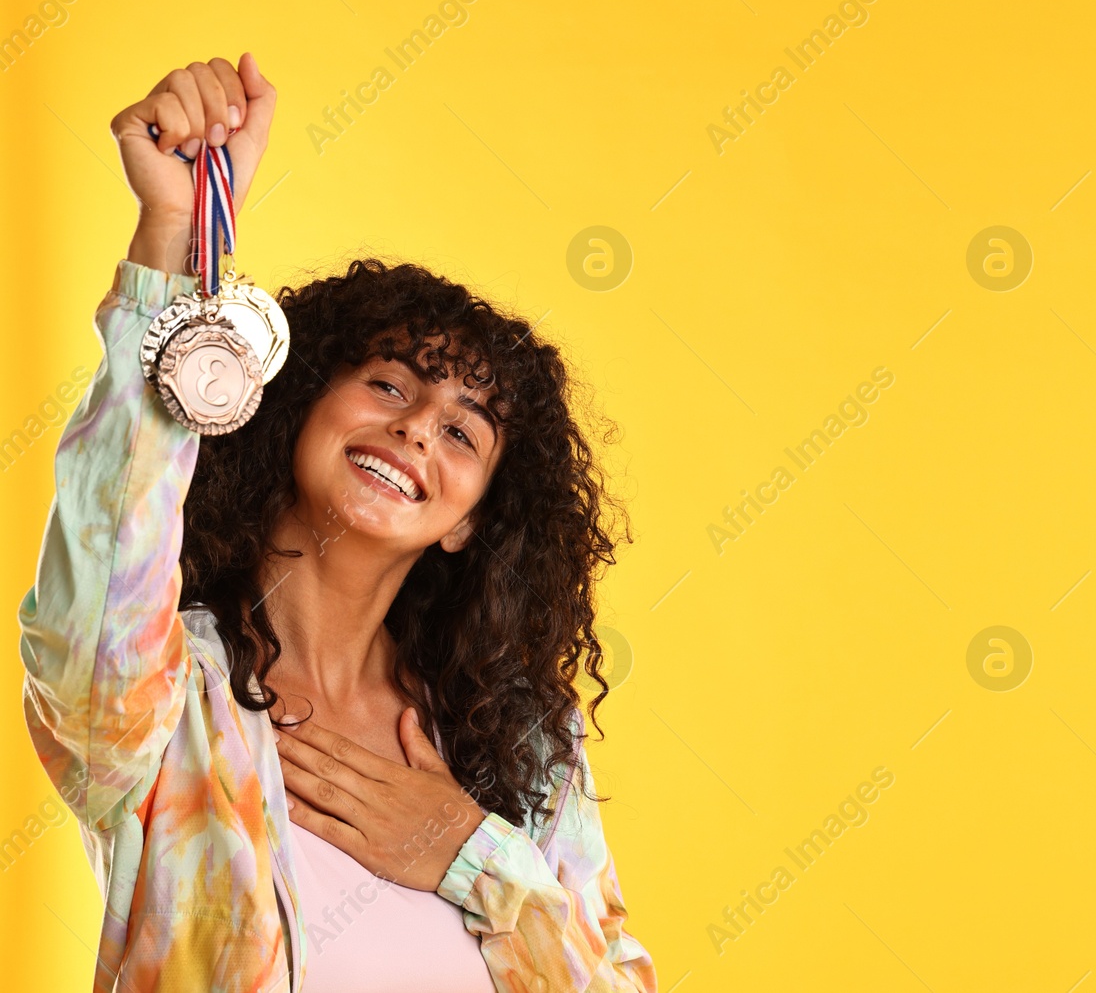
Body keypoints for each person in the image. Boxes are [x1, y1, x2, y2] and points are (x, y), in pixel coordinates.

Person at [18, 53, 656, 993]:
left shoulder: (519, 743)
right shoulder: (167, 704)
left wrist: (469, 852)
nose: (411, 429)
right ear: (297, 409)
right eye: (388, 383)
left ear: (469, 521)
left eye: (461, 432)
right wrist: (175, 235)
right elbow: (102, 579)